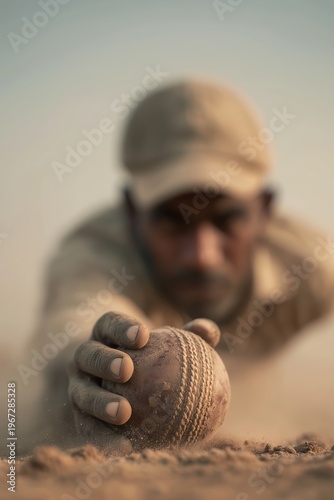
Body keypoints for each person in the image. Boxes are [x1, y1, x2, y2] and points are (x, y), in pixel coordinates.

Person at [23, 79, 334, 453]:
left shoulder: (313, 269)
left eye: (227, 219)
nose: (201, 255)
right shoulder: (91, 253)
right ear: (131, 213)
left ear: (265, 210)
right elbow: (76, 317)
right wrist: (85, 362)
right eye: (172, 220)